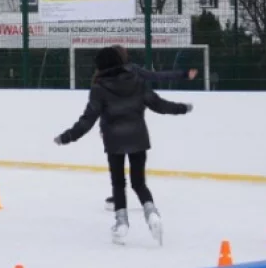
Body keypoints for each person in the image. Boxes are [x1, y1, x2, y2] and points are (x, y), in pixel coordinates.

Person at [54, 46, 193, 244]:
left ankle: (121, 224)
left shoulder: (99, 88)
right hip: (138, 138)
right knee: (139, 183)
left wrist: (67, 137)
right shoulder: (137, 80)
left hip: (114, 142)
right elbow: (159, 104)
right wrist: (182, 108)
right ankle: (152, 213)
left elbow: (88, 120)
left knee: (118, 183)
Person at [104, 45, 199, 211]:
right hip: (134, 132)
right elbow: (157, 84)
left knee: (119, 172)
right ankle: (140, 202)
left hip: (116, 132)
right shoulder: (131, 75)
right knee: (136, 178)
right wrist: (183, 77)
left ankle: (119, 197)